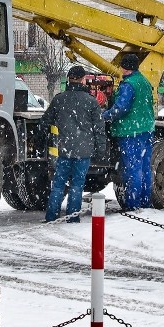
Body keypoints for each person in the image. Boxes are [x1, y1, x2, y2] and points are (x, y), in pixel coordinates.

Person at [37, 65, 107, 223]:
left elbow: (45, 122)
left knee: (58, 185)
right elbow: (99, 129)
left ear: (69, 80)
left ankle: (51, 216)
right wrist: (100, 149)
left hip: (64, 150)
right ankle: (73, 217)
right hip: (83, 152)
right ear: (83, 80)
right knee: (77, 185)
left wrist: (40, 138)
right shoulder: (91, 102)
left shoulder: (59, 99)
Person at [102, 53, 155, 210]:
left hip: (130, 132)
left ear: (125, 68)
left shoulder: (128, 85)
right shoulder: (144, 81)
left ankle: (132, 205)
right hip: (146, 130)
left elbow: (121, 108)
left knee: (132, 169)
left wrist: (103, 116)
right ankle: (145, 203)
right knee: (145, 168)